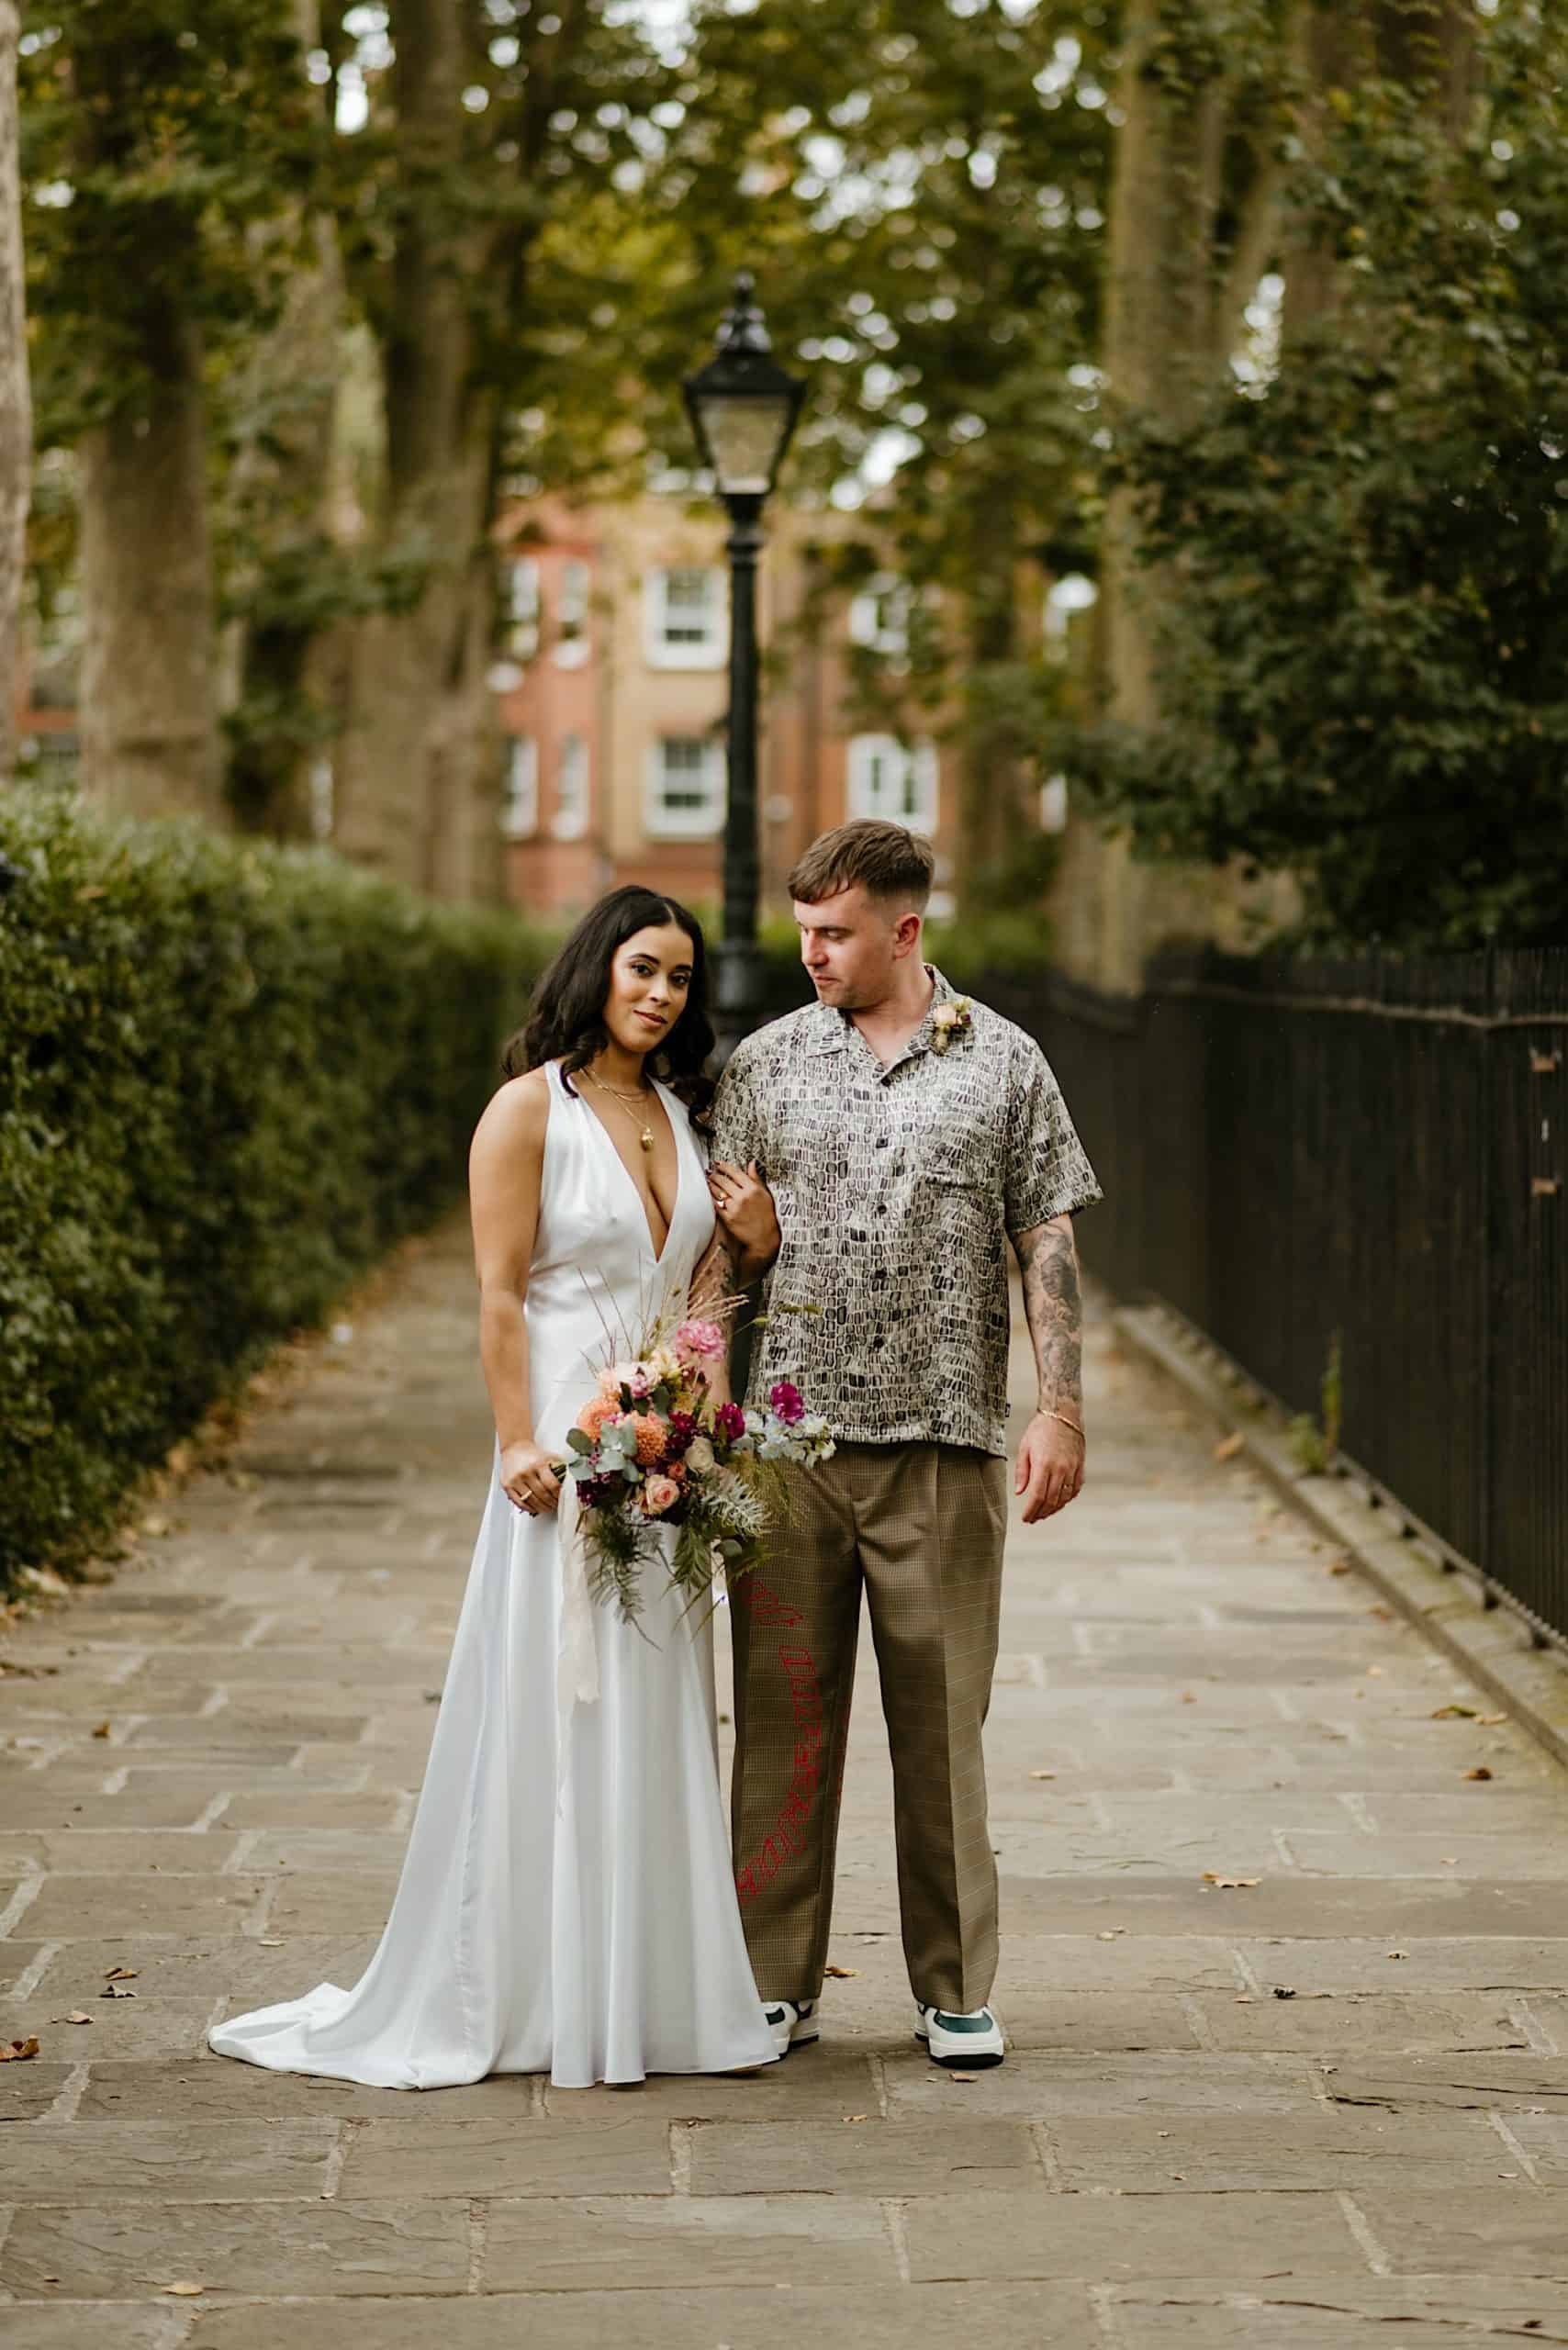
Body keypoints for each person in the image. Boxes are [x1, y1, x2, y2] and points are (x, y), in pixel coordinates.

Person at [208, 888, 778, 2089]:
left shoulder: (686, 1115)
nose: (662, 992)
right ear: (597, 970)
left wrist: (750, 1265)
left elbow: (704, 1299)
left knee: (659, 1709)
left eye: (680, 976)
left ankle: (652, 2001)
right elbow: (498, 1293)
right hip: (558, 1458)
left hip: (658, 1459)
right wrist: (515, 1437)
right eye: (643, 968)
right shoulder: (528, 1111)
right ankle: (538, 1992)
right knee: (558, 1707)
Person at [706, 820, 1101, 2072]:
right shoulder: (765, 1064)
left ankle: (953, 1988)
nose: (812, 951)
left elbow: (1047, 1237)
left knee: (941, 1730)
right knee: (780, 1726)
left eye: (836, 932)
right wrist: (689, 1406)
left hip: (944, 1442)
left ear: (905, 930)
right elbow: (727, 1254)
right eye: (805, 928)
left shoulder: (1004, 1063)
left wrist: (1063, 1406)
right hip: (786, 1442)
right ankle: (772, 1980)